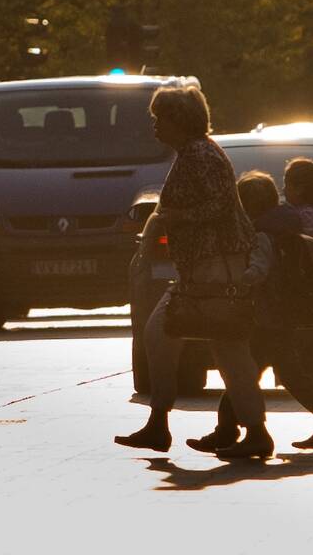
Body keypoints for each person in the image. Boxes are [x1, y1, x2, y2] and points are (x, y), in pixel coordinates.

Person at [115, 86, 274, 458]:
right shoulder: (192, 154)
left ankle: (253, 432)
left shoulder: (200, 154)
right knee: (175, 340)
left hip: (217, 269)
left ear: (179, 121)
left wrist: (177, 218)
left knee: (223, 348)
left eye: (160, 119)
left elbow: (220, 206)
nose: (155, 126)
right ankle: (161, 423)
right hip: (200, 271)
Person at [187, 170, 313, 457]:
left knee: (244, 372)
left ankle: (241, 432)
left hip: (267, 315)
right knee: (271, 373)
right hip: (282, 313)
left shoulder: (261, 233)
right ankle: (230, 430)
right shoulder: (285, 226)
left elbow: (258, 272)